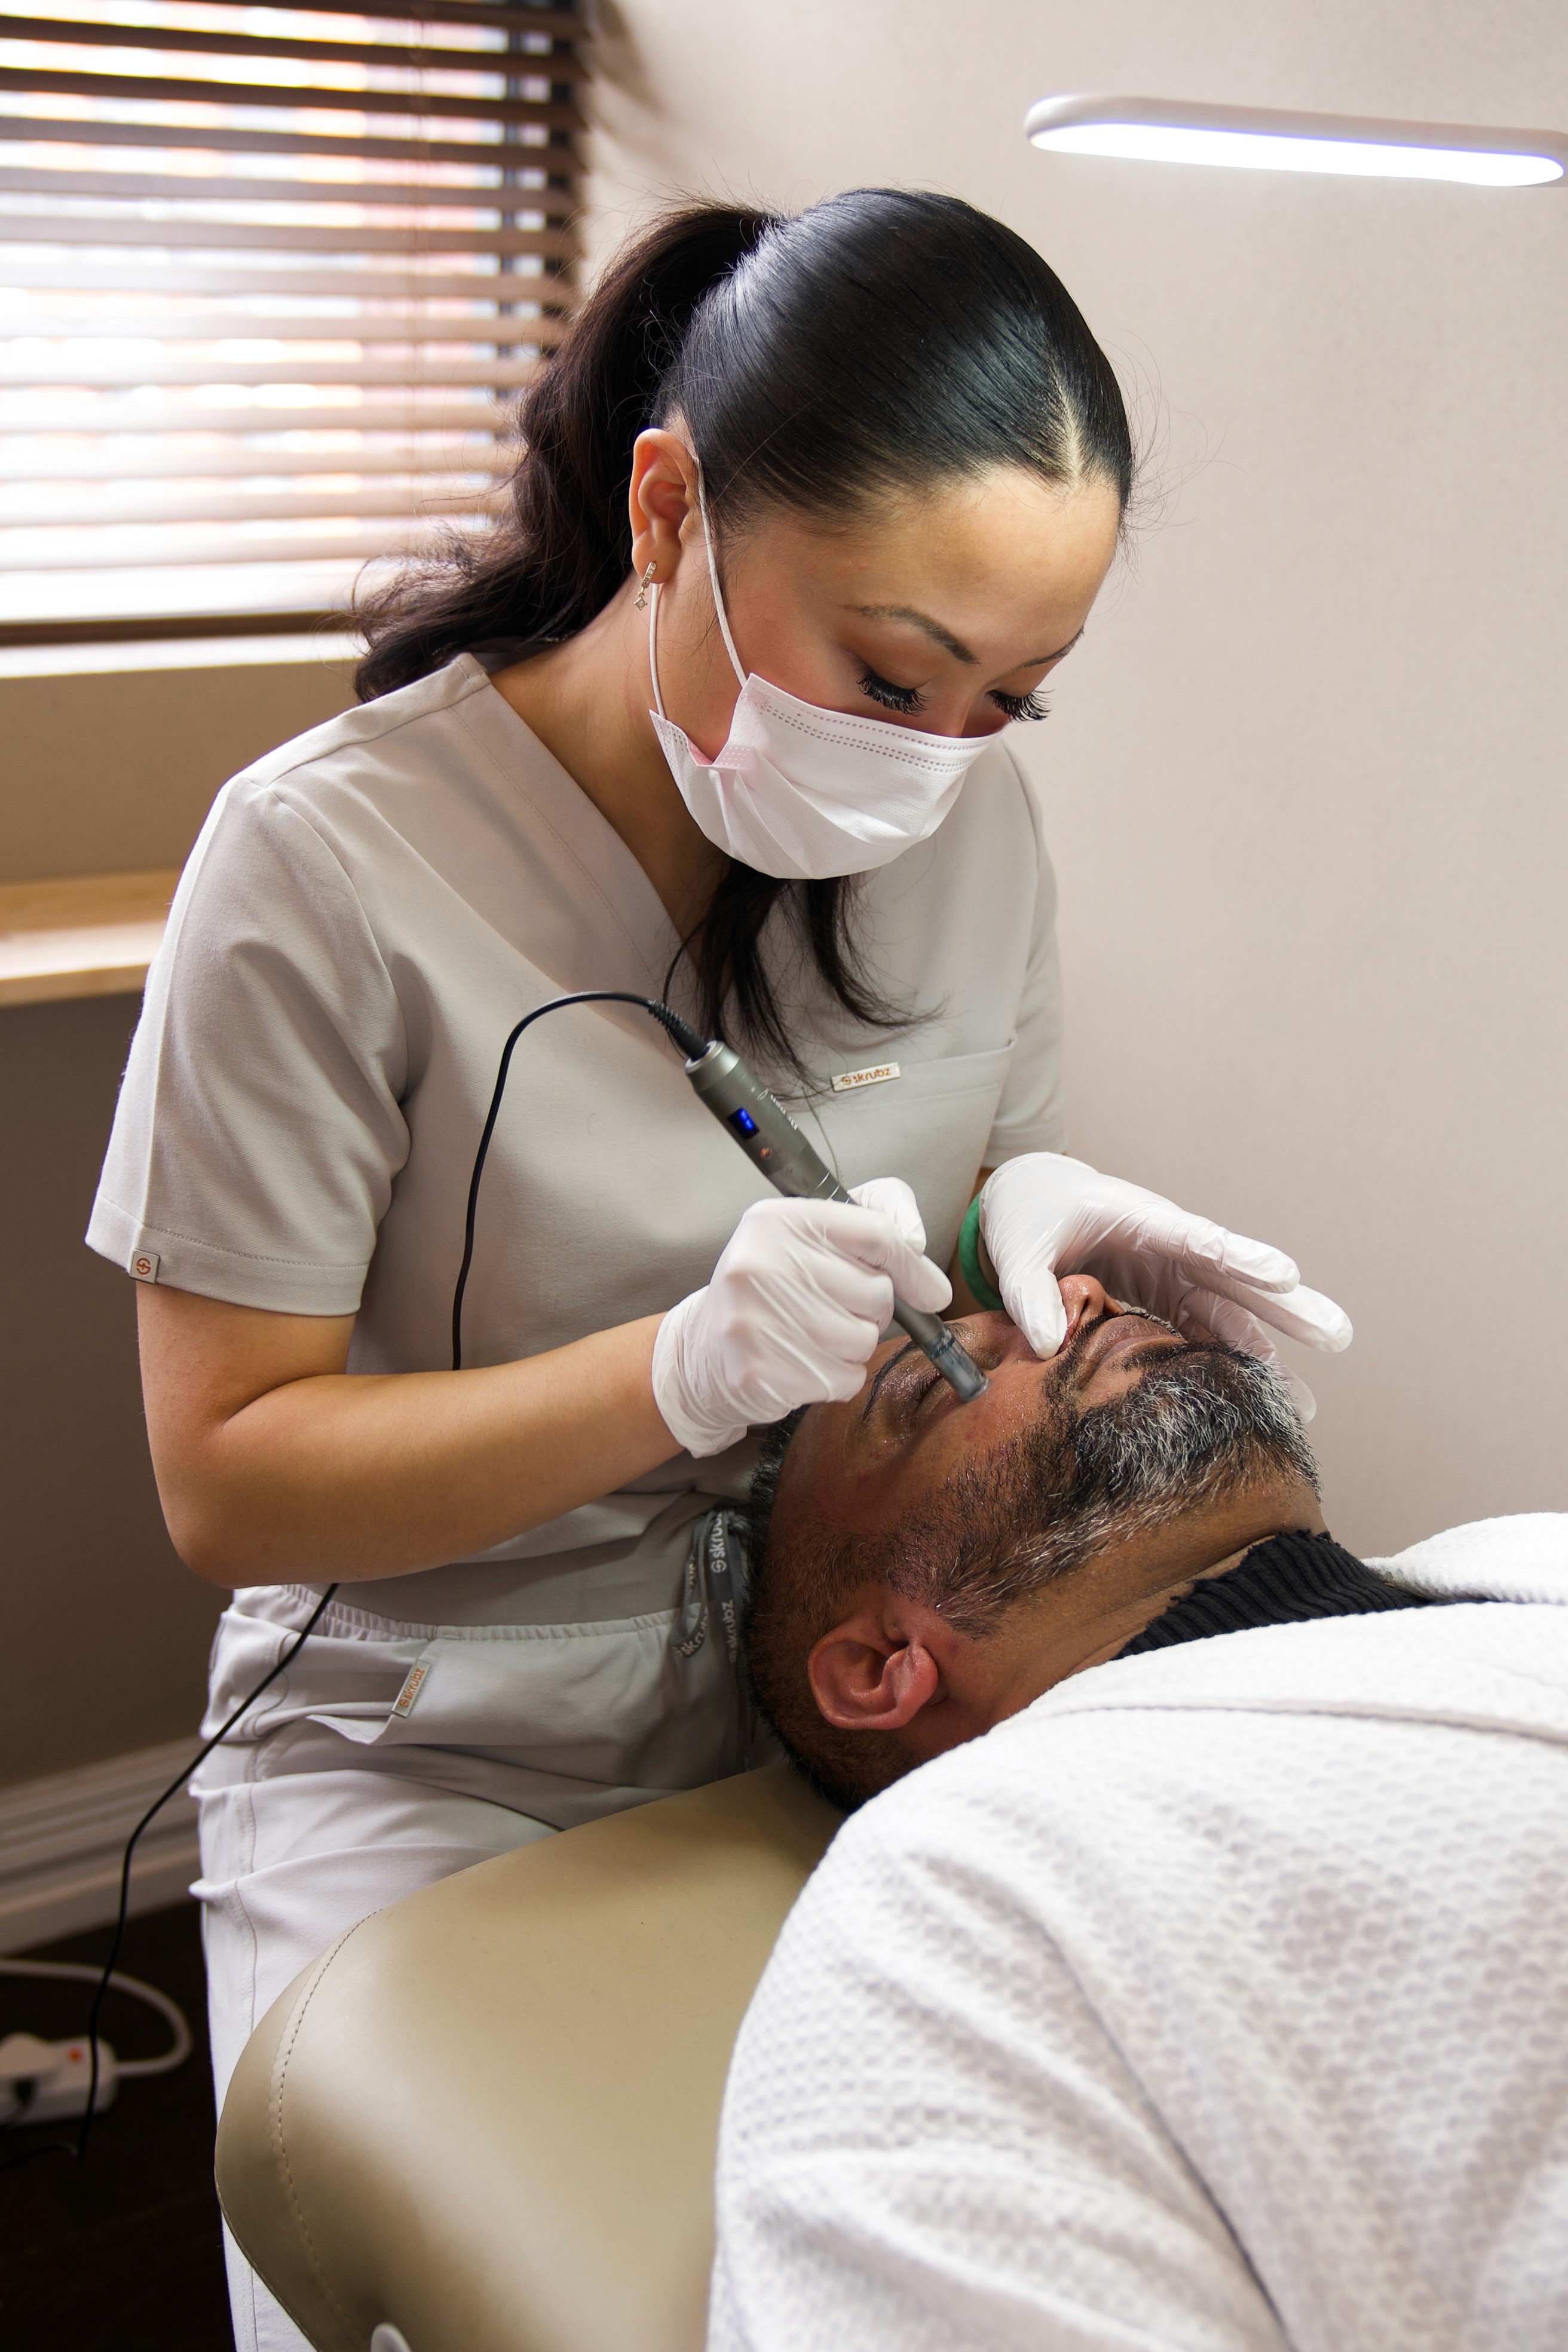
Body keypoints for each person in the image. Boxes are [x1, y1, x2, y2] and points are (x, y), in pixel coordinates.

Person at [85, 191, 1348, 2349]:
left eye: (1010, 703)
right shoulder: (324, 860)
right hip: (432, 1734)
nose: (938, 756)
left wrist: (1030, 1211)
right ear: (669, 508)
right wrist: (666, 1373)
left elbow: (958, 1192)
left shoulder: (963, 823)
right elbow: (231, 1476)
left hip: (825, 1706)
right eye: (891, 675)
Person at [710, 1289, 1568, 2349]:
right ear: (886, 1662)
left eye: (1066, 1286)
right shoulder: (945, 1898)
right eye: (928, 1381)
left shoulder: (1528, 1559)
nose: (1077, 1296)